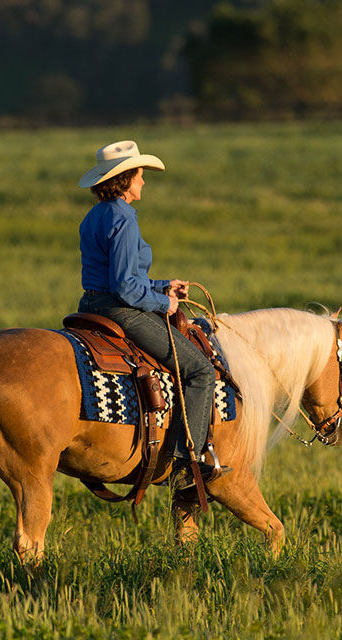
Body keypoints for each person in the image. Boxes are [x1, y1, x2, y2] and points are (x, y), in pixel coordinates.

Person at [75, 140, 219, 473]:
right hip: (119, 310)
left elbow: (116, 278)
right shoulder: (123, 219)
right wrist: (164, 303)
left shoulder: (95, 215)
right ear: (124, 179)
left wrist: (160, 285)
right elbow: (125, 288)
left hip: (92, 304)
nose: (143, 181)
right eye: (139, 175)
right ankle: (189, 463)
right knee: (201, 370)